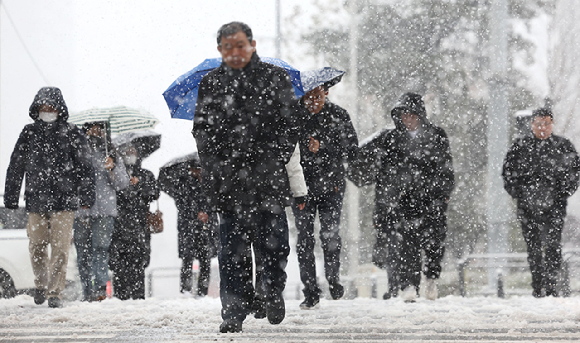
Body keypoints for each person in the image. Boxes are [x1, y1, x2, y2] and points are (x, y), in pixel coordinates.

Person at [192, 22, 300, 333]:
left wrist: (271, 160)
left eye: (240, 45)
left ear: (252, 44)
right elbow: (202, 131)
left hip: (268, 181)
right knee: (232, 251)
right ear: (220, 51)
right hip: (229, 184)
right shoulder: (211, 85)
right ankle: (234, 311)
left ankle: (270, 290)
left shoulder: (275, 80)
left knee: (275, 245)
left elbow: (289, 126)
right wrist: (218, 165)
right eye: (228, 47)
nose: (235, 53)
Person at [4, 87, 95, 308]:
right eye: (43, 106)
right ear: (37, 108)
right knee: (36, 245)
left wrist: (87, 195)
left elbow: (85, 166)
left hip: (64, 202)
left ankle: (55, 292)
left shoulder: (73, 133)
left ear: (59, 108)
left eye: (51, 106)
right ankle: (41, 284)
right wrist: (11, 196)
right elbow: (16, 164)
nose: (47, 110)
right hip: (35, 201)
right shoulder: (29, 133)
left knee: (60, 248)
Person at [373, 92, 454, 302]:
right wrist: (389, 198)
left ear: (420, 115)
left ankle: (431, 278)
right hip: (405, 200)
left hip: (432, 198)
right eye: (403, 116)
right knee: (407, 245)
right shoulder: (392, 139)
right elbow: (386, 172)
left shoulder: (437, 135)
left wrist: (442, 195)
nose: (408, 120)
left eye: (412, 115)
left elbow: (446, 168)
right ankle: (408, 284)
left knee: (435, 243)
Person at [291, 74, 358, 310]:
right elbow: (284, 147)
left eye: (317, 96)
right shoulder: (295, 115)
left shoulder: (339, 115)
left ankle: (333, 278)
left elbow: (352, 150)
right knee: (304, 239)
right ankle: (310, 290)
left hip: (331, 185)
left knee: (330, 235)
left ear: (325, 93)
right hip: (302, 188)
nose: (313, 102)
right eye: (308, 97)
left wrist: (325, 145)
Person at [502, 108, 580, 297]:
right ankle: (538, 286)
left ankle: (552, 286)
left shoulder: (563, 146)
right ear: (532, 125)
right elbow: (508, 174)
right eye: (538, 124)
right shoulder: (520, 146)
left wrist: (562, 194)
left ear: (552, 124)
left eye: (546, 124)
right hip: (527, 207)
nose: (542, 128)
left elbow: (574, 173)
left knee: (553, 245)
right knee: (534, 247)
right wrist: (520, 195)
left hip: (555, 206)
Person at [73, 122, 130, 302]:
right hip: (81, 211)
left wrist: (112, 168)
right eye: (92, 128)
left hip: (105, 211)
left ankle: (99, 290)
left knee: (100, 250)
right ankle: (87, 290)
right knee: (83, 253)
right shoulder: (76, 152)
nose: (96, 132)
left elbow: (122, 184)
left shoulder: (111, 154)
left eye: (100, 128)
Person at [109, 145, 159, 300]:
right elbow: (111, 195)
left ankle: (138, 297)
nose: (130, 155)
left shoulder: (146, 174)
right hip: (118, 227)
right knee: (118, 265)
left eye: (133, 152)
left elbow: (154, 194)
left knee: (139, 264)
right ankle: (120, 297)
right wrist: (122, 183)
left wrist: (140, 184)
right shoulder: (115, 174)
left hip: (139, 227)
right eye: (127, 153)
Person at [158, 157, 214, 297]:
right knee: (187, 259)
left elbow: (213, 202)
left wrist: (207, 213)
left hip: (205, 227)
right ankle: (186, 290)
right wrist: (197, 213)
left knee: (205, 260)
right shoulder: (182, 183)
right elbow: (182, 204)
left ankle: (202, 291)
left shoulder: (209, 183)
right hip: (187, 226)